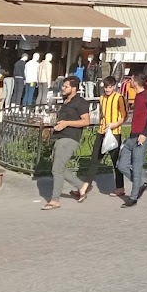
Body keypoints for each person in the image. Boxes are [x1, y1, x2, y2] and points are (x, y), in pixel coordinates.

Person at [42, 76, 91, 209]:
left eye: (66, 86)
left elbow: (86, 121)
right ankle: (82, 186)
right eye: (63, 86)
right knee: (59, 167)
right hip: (60, 137)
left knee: (57, 169)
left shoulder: (80, 102)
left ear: (74, 88)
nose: (63, 88)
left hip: (70, 138)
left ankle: (55, 200)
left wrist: (66, 123)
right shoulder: (66, 101)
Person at [79, 75, 127, 200]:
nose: (107, 89)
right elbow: (102, 114)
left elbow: (124, 116)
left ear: (114, 86)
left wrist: (114, 125)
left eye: (110, 87)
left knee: (116, 162)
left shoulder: (119, 98)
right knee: (94, 159)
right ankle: (84, 187)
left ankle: (120, 187)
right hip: (102, 132)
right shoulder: (102, 98)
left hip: (114, 133)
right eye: (106, 87)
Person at [118, 73, 147, 207]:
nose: (129, 82)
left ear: (136, 82)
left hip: (141, 137)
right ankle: (140, 184)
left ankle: (133, 198)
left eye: (131, 79)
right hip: (132, 137)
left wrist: (145, 133)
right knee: (121, 165)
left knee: (137, 167)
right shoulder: (137, 96)